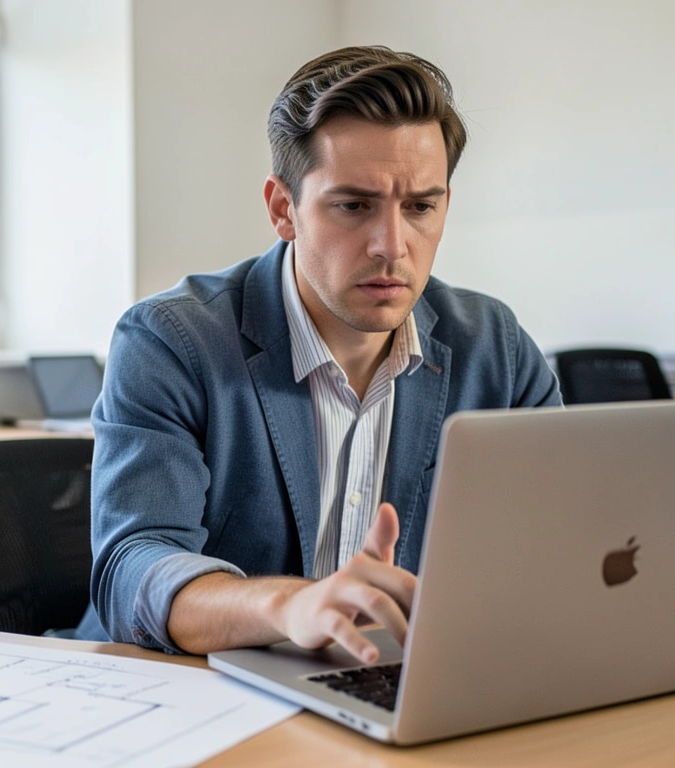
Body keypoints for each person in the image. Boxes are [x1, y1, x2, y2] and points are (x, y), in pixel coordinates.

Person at [78, 46, 561, 663]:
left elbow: (560, 544)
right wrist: (289, 606)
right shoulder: (170, 340)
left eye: (420, 207)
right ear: (284, 209)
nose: (393, 246)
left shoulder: (496, 348)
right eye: (354, 206)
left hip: (393, 681)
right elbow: (133, 571)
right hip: (190, 696)